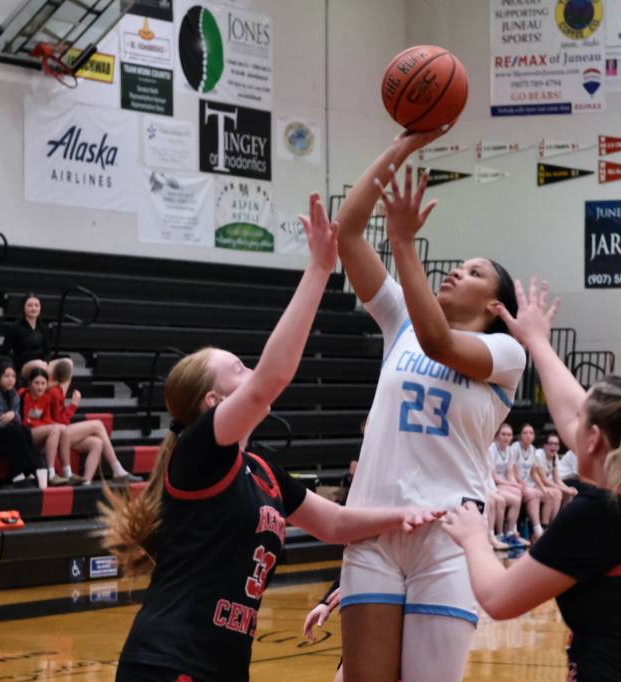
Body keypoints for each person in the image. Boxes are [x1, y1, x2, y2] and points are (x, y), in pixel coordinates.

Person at [103, 193, 442, 682]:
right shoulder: (198, 455)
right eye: (238, 367)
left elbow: (337, 525)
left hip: (220, 665)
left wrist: (405, 515)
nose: (251, 370)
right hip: (167, 661)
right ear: (213, 405)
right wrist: (319, 268)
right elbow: (271, 380)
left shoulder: (260, 469)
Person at [441, 278, 621, 682]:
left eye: (582, 420)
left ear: (596, 439)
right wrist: (538, 343)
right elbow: (575, 416)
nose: (570, 423)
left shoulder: (600, 517)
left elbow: (498, 598)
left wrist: (475, 537)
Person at [335, 134, 525, 682]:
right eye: (458, 265)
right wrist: (403, 143)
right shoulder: (400, 324)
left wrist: (403, 244)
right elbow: (347, 232)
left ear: (494, 305)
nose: (458, 272)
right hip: (373, 526)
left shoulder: (505, 354)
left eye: (474, 272)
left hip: (448, 534)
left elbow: (441, 343)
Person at [48, 358, 141, 484]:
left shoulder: (57, 389)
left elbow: (67, 362)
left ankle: (86, 482)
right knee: (98, 424)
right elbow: (61, 422)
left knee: (97, 443)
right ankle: (118, 471)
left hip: (63, 433)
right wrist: (74, 405)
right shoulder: (54, 391)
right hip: (55, 434)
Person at [0, 357, 48, 488]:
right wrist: (12, 417)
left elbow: (17, 419)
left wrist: (12, 414)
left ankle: (28, 470)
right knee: (15, 431)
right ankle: (19, 473)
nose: (11, 379)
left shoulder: (13, 393)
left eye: (13, 376)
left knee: (24, 430)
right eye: (7, 376)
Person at [19, 367, 81, 486]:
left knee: (63, 428)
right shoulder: (23, 394)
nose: (40, 387)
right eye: (36, 383)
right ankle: (51, 474)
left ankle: (67, 472)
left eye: (43, 383)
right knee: (57, 428)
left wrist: (51, 425)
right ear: (29, 383)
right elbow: (25, 421)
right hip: (24, 433)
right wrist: (47, 425)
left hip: (38, 431)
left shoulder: (46, 398)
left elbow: (47, 419)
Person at [488, 423, 528, 547]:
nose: (506, 437)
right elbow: (494, 477)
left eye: (509, 435)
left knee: (517, 497)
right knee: (502, 500)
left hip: (502, 482)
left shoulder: (510, 450)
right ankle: (500, 534)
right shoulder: (491, 449)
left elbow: (509, 473)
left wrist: (516, 485)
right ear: (497, 436)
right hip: (493, 483)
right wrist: (513, 485)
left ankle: (511, 532)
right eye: (503, 434)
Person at [511, 422, 551, 539]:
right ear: (520, 436)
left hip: (530, 485)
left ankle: (548, 527)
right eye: (525, 433)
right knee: (534, 494)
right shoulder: (515, 447)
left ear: (534, 436)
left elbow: (533, 473)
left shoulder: (533, 449)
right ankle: (537, 529)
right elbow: (512, 470)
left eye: (531, 433)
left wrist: (543, 488)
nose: (528, 435)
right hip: (517, 484)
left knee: (552, 495)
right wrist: (521, 483)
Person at [3, 294, 51, 375]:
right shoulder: (16, 327)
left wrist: (46, 362)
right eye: (30, 305)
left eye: (36, 305)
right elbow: (4, 351)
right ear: (23, 308)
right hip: (24, 366)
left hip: (42, 364)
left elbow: (47, 351)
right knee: (38, 364)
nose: (34, 308)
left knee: (67, 363)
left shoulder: (44, 328)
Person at [540, 432, 577, 508]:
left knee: (569, 493)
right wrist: (566, 489)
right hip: (538, 484)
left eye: (556, 444)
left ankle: (562, 517)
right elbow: (544, 481)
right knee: (557, 493)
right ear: (545, 445)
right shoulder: (539, 455)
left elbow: (557, 480)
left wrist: (567, 489)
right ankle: (547, 520)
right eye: (550, 443)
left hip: (554, 482)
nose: (553, 446)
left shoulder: (555, 456)